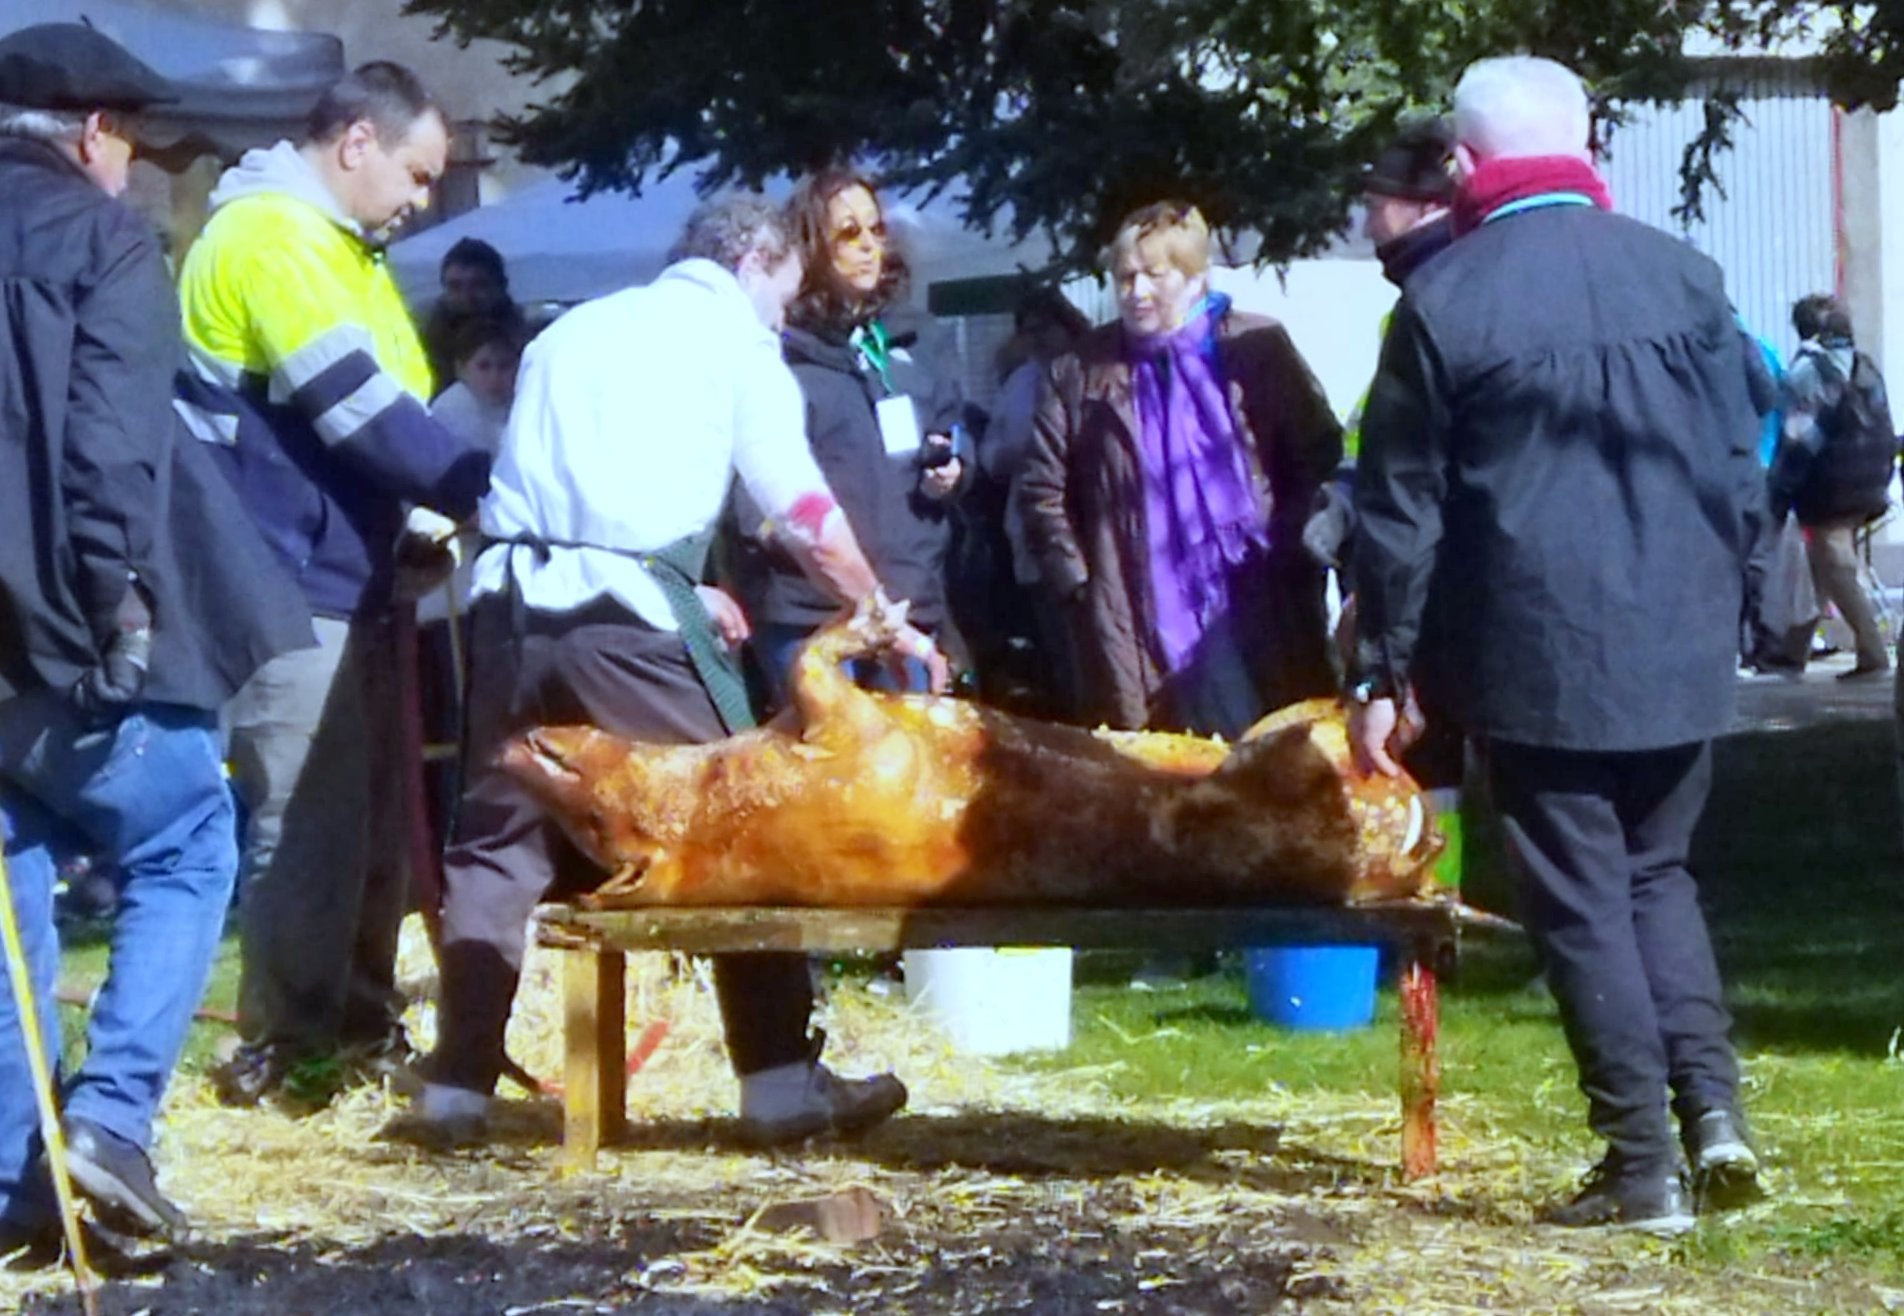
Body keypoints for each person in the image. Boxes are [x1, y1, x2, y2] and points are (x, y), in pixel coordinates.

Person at [409, 195, 926, 1147]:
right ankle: (777, 1082)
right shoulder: (733, 343)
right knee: (740, 829)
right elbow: (799, 503)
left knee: (497, 847)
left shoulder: (575, 330)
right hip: (628, 626)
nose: (785, 307)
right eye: (785, 285)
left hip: (514, 613)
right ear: (756, 260)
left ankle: (455, 1093)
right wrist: (874, 610)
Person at [1350, 55, 1766, 1233]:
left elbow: (1399, 514)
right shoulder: (1685, 277)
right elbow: (1743, 469)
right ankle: (1716, 1119)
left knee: (1582, 900)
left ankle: (1640, 1166)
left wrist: (1385, 671)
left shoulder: (1442, 301)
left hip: (1536, 651)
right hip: (1679, 641)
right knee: (1656, 877)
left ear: (1465, 168)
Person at [0, 23, 313, 1253]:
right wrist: (115, 599)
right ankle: (112, 1126)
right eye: (129, 139)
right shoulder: (103, 236)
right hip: (75, 621)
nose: (132, 162)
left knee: (16, 873)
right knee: (188, 839)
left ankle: (27, 1174)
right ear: (93, 133)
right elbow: (107, 443)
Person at [174, 62, 493, 1107]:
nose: (420, 200)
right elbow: (359, 410)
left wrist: (410, 527)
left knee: (370, 822)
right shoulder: (270, 237)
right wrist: (484, 492)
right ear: (355, 140)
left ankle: (353, 1027)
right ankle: (290, 1046)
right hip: (279, 580)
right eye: (414, 173)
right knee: (306, 823)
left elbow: (385, 418)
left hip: (345, 576)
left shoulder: (343, 249)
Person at [1017, 200, 1341, 740]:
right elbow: (1041, 489)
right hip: (1133, 610)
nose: (1136, 292)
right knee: (1167, 776)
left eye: (1153, 275)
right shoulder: (1080, 370)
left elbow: (1315, 457)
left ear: (1193, 276)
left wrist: (1296, 546)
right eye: (1124, 277)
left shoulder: (1255, 349)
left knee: (1271, 758)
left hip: (1253, 597)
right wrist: (1082, 587)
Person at [728, 168, 961, 704]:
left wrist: (955, 467)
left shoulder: (914, 336)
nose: (868, 247)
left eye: (876, 231)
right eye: (848, 233)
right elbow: (754, 495)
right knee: (824, 778)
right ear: (811, 246)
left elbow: (952, 424)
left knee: (911, 775)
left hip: (906, 601)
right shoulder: (776, 352)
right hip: (810, 613)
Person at [977, 288, 1093, 717]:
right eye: (1029, 331)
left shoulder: (1092, 369)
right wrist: (1015, 453)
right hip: (1032, 537)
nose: (1039, 338)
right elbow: (989, 455)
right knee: (1059, 656)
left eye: (1046, 328)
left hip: (1089, 537)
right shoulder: (1021, 383)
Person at [1770, 293, 1895, 679]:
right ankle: (1793, 650)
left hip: (1832, 486)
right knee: (1822, 565)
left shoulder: (1811, 370)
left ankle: (1872, 651)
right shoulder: (1864, 365)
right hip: (1869, 481)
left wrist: (1778, 491)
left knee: (1834, 564)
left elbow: (1799, 437)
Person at [422, 237, 525, 397]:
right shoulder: (422, 345)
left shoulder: (525, 345)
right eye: (455, 286)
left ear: (500, 286)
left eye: (478, 285)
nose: (466, 296)